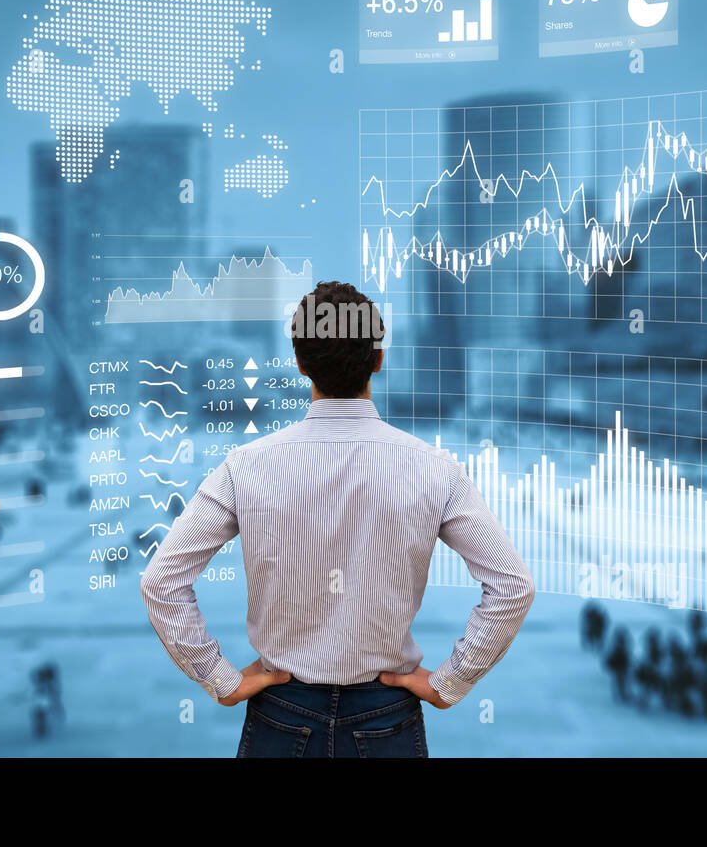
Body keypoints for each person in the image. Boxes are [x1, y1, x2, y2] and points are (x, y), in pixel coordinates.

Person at [140, 281, 535, 757]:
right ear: (378, 359)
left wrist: (219, 677)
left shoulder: (244, 467)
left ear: (301, 363)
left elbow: (161, 582)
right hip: (387, 718)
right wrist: (450, 682)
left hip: (279, 716)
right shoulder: (436, 470)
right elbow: (513, 586)